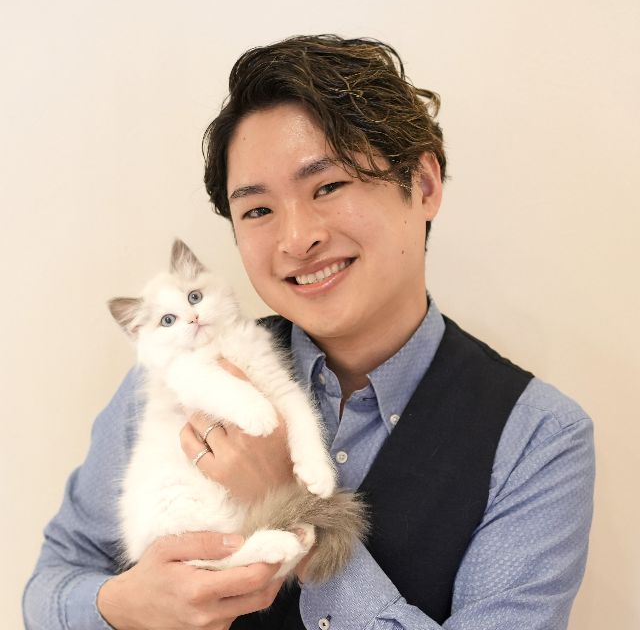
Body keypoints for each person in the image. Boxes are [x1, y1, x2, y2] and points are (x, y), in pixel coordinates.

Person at [23, 36, 595, 630]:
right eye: (258, 210)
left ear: (424, 185)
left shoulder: (540, 438)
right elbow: (53, 580)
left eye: (328, 186)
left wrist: (284, 495)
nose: (297, 239)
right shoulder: (171, 383)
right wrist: (122, 605)